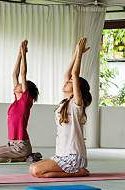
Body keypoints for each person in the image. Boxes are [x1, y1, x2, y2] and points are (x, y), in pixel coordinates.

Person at [30, 37, 92, 178]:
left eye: (70, 81)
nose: (67, 81)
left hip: (73, 156)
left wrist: (80, 55)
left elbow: (74, 74)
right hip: (61, 155)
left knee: (36, 171)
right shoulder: (65, 102)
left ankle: (77, 171)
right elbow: (68, 73)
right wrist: (76, 53)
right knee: (33, 167)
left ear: (77, 89)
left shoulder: (77, 105)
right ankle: (75, 172)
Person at [0, 40, 39, 163]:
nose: (17, 84)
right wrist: (19, 54)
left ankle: (24, 157)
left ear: (25, 89)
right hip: (12, 144)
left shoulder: (25, 100)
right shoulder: (16, 101)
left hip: (21, 145)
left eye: (20, 84)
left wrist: (24, 55)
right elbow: (14, 74)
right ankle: (24, 157)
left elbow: (23, 74)